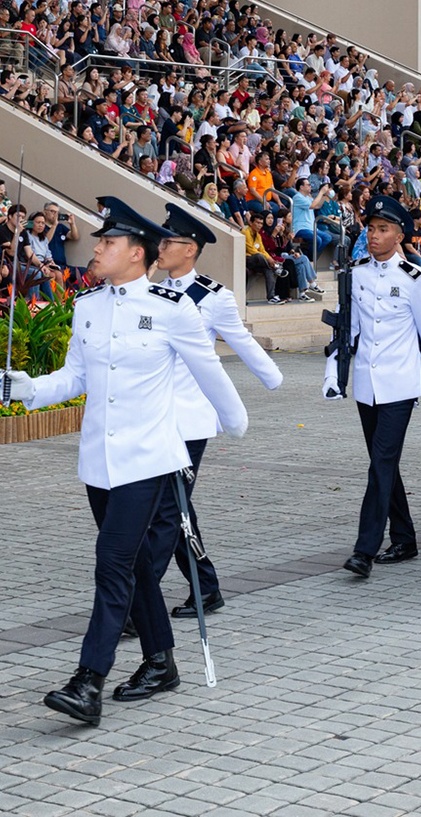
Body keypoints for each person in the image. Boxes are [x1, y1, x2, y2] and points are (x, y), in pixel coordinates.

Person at [0, 196, 247, 726]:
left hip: (149, 458)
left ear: (138, 253)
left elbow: (209, 370)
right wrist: (29, 389)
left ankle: (88, 680)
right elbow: (77, 378)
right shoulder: (89, 306)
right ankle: (161, 661)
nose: (97, 248)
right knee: (134, 566)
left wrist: (234, 417)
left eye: (108, 242)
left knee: (111, 564)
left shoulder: (170, 307)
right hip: (99, 461)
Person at [155, 203, 282, 615]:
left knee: (168, 510)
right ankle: (204, 586)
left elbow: (240, 341)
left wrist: (273, 378)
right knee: (172, 509)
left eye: (168, 241)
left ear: (189, 249)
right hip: (154, 417)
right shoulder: (150, 290)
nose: (159, 246)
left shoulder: (212, 297)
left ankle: (144, 602)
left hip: (190, 419)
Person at [319, 196, 421, 582]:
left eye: (383, 229)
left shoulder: (415, 278)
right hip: (366, 385)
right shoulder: (356, 275)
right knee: (382, 462)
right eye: (371, 228)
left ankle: (364, 550)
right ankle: (404, 538)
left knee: (381, 464)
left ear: (400, 234)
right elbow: (346, 331)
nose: (374, 235)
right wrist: (331, 374)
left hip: (400, 384)